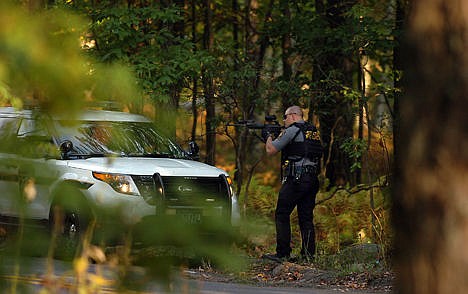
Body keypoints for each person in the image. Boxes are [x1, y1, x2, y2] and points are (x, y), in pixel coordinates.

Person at [262, 105, 323, 262]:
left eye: (286, 117)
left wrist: (268, 135)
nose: (284, 120)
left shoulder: (292, 130)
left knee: (282, 213)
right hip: (312, 179)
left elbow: (270, 150)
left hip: (297, 179)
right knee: (306, 217)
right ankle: (308, 255)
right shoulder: (312, 131)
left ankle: (283, 253)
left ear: (294, 116)